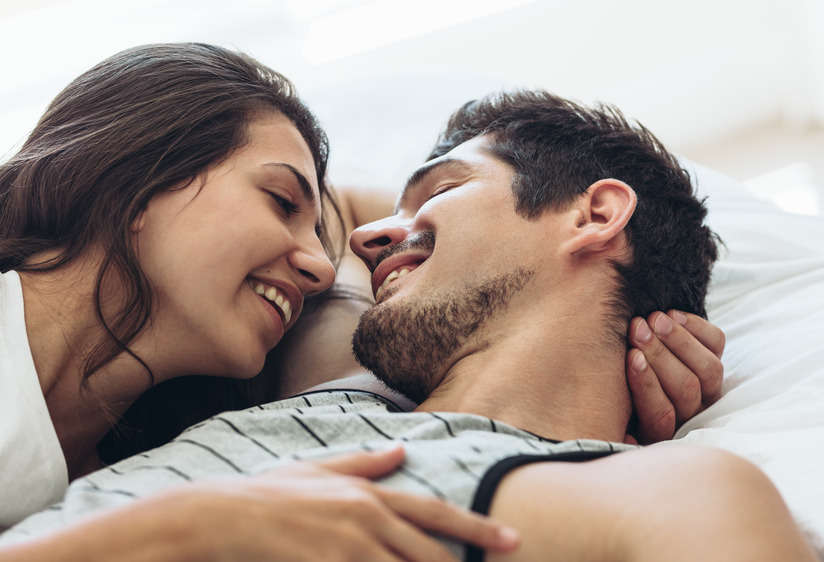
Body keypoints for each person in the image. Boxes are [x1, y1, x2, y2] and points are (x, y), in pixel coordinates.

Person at [2, 90, 820, 561]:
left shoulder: (660, 491)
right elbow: (287, 201)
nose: (349, 248)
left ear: (595, 213)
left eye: (436, 192)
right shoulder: (336, 380)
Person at [0, 43, 523, 560]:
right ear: (134, 180)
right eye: (281, 202)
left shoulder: (103, 475)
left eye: (318, 233)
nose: (321, 268)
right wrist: (171, 530)